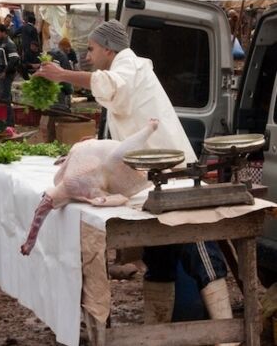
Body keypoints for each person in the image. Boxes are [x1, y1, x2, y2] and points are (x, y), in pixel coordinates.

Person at [35, 19, 237, 346]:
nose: (88, 55)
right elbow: (124, 122)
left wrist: (63, 75)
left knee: (195, 243)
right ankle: (156, 334)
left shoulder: (130, 64)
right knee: (159, 255)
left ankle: (228, 334)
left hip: (174, 175)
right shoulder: (126, 70)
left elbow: (109, 84)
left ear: (109, 49)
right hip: (147, 178)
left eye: (92, 49)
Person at [0, 24, 20, 126]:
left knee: (5, 99)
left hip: (6, 76)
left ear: (4, 32)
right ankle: (5, 121)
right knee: (2, 99)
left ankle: (9, 123)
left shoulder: (9, 44)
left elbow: (14, 59)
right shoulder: (0, 43)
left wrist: (5, 71)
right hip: (0, 75)